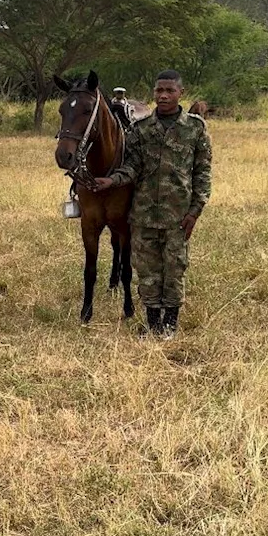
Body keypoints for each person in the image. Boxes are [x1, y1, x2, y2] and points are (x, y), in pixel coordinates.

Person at [92, 70, 212, 338]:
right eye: (159, 90)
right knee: (147, 271)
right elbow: (132, 167)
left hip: (178, 215)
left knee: (174, 268)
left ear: (181, 92)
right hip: (144, 214)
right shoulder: (141, 129)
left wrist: (195, 212)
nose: (164, 95)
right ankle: (152, 321)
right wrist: (111, 181)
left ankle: (170, 323)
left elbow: (202, 173)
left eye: (169, 90)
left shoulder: (195, 128)